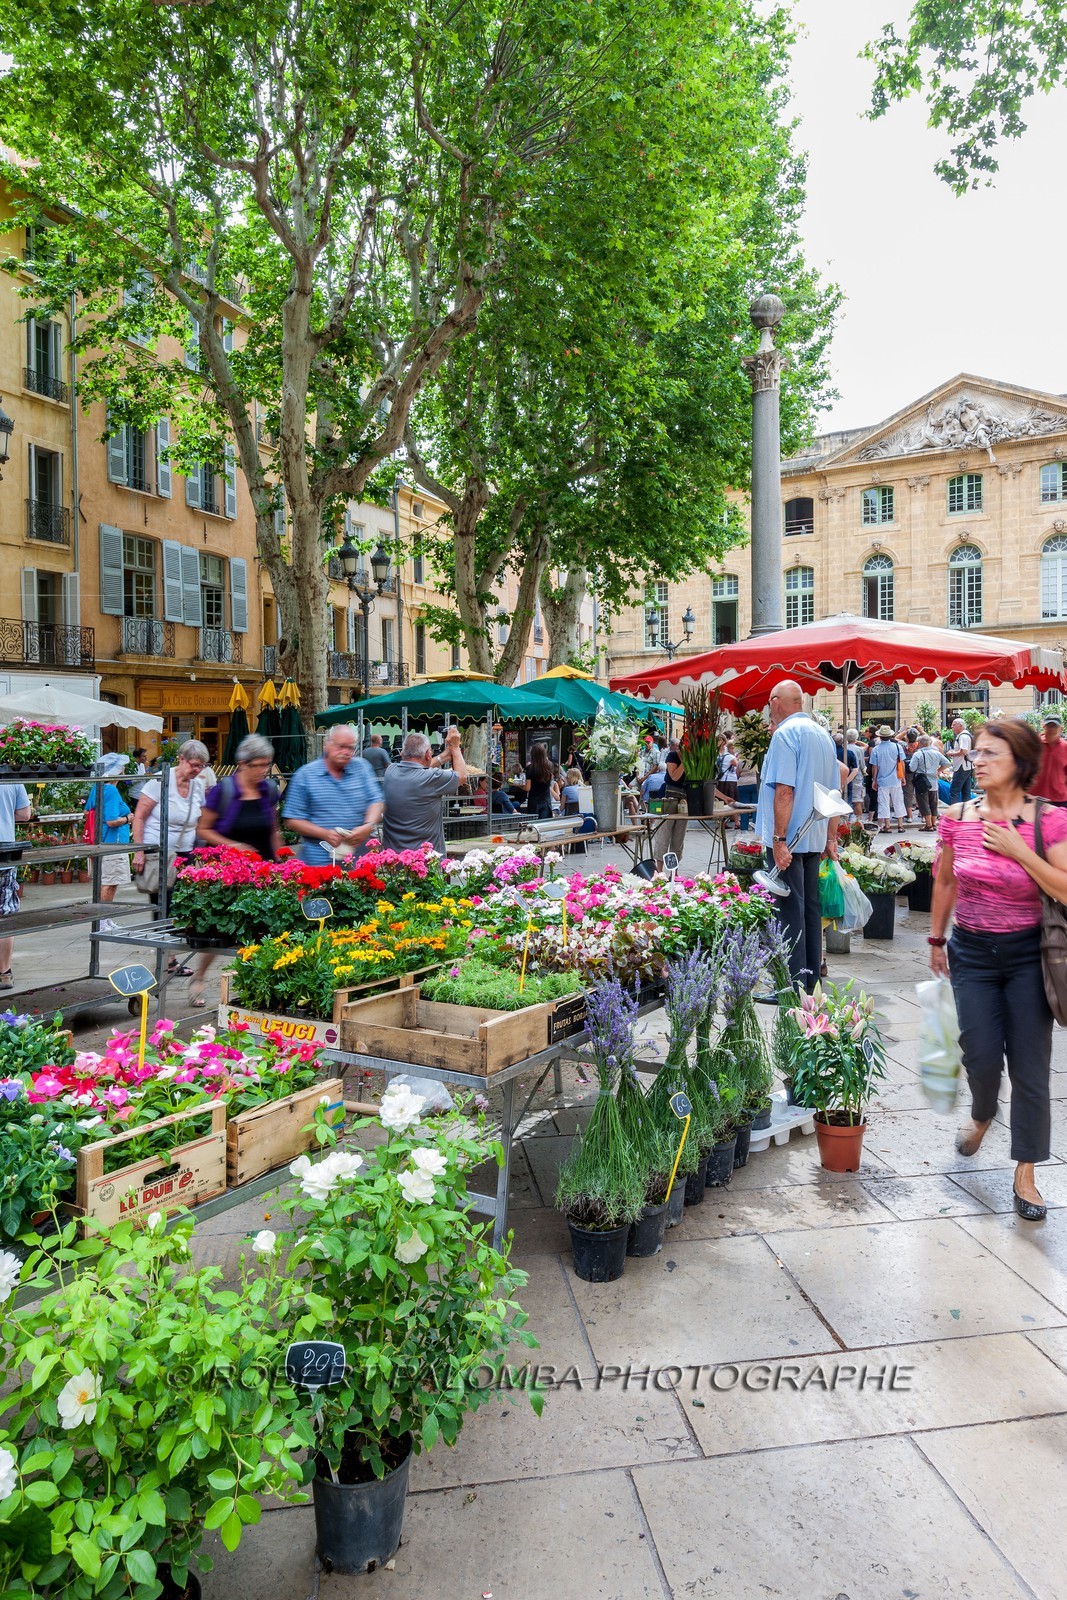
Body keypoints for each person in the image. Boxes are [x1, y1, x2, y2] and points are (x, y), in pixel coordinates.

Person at [929, 718, 1067, 1221]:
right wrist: (937, 938)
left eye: (991, 753)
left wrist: (1020, 851)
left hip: (1031, 954)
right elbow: (945, 881)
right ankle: (983, 1112)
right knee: (981, 1055)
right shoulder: (958, 815)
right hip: (971, 952)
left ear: (1020, 762)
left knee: (1030, 1065)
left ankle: (1026, 1172)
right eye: (977, 752)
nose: (978, 760)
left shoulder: (1048, 820)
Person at [755, 681, 839, 992]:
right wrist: (830, 837)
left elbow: (785, 791)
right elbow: (835, 791)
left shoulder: (785, 734)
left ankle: (791, 987)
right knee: (810, 910)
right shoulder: (822, 734)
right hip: (812, 836)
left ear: (775, 701)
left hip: (790, 839)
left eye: (768, 702)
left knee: (788, 911)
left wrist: (779, 840)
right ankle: (810, 982)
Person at [131, 739, 209, 990]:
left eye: (201, 766)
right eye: (194, 765)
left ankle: (171, 957)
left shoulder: (198, 785)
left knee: (182, 906)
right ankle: (166, 958)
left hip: (185, 853)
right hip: (159, 853)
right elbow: (139, 817)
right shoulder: (158, 783)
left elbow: (201, 819)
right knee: (162, 904)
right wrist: (139, 851)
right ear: (182, 759)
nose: (197, 770)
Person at [283, 724, 384, 866]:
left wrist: (368, 825)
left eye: (350, 748)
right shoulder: (305, 775)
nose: (346, 752)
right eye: (341, 746)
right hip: (319, 865)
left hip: (358, 864)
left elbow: (376, 801)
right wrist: (324, 833)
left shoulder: (362, 767)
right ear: (327, 744)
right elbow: (292, 819)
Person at [197, 735, 284, 860]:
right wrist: (233, 846)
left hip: (265, 866)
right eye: (257, 765)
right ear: (242, 764)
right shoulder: (223, 791)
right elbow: (203, 829)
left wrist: (281, 860)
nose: (263, 770)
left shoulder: (268, 790)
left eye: (266, 764)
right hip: (231, 867)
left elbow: (273, 830)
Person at [381, 732, 460, 853]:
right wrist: (455, 748)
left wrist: (442, 757)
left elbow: (416, 766)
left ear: (402, 753)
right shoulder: (432, 778)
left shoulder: (390, 772)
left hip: (393, 859)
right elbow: (462, 776)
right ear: (428, 754)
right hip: (426, 860)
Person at [86, 752, 134, 934]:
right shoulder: (111, 790)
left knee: (106, 881)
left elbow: (88, 811)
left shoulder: (97, 787)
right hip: (113, 842)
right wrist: (128, 818)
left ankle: (104, 919)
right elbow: (112, 821)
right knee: (110, 882)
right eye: (122, 767)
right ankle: (102, 921)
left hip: (101, 841)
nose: (124, 770)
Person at [0, 775, 31, 989]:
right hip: (5, 854)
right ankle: (4, 973)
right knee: (5, 914)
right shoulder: (12, 777)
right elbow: (24, 814)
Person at [654, 738, 688, 868]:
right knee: (663, 836)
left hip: (684, 800)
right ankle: (659, 871)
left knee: (678, 838)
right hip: (667, 798)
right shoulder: (673, 756)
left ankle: (674, 872)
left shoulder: (694, 759)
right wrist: (684, 762)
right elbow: (674, 776)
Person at [909, 734, 951, 831]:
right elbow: (947, 763)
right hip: (934, 782)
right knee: (933, 804)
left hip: (922, 782)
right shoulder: (936, 753)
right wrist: (938, 770)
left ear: (919, 743)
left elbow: (912, 768)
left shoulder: (917, 754)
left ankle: (928, 825)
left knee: (923, 803)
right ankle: (933, 824)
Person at [870, 724, 907, 834]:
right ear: (890, 736)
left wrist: (874, 779)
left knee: (884, 803)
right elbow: (902, 763)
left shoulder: (876, 749)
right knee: (898, 801)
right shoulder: (897, 747)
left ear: (880, 736)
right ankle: (900, 825)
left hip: (882, 780)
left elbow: (875, 767)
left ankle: (887, 825)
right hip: (896, 779)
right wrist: (903, 777)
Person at [1033, 713, 1067, 806]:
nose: (1051, 728)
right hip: (1036, 796)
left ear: (1061, 728)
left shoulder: (1065, 747)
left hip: (1059, 798)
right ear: (1044, 726)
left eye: (1054, 726)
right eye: (1049, 725)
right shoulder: (1035, 745)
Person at [524, 744, 556, 820]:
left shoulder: (530, 768)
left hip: (534, 801)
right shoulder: (550, 766)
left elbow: (527, 788)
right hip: (546, 800)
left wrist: (518, 785)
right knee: (544, 824)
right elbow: (551, 778)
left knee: (533, 824)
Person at [947, 717, 974, 805]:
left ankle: (954, 810)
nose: (952, 727)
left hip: (961, 766)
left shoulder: (963, 736)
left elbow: (963, 751)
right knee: (966, 792)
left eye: (954, 725)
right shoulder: (967, 735)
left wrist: (952, 753)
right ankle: (967, 810)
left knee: (954, 791)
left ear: (960, 726)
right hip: (967, 766)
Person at [845, 728, 867, 818]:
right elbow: (862, 765)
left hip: (845, 777)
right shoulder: (859, 750)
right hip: (857, 778)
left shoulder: (844, 748)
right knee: (857, 801)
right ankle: (859, 822)